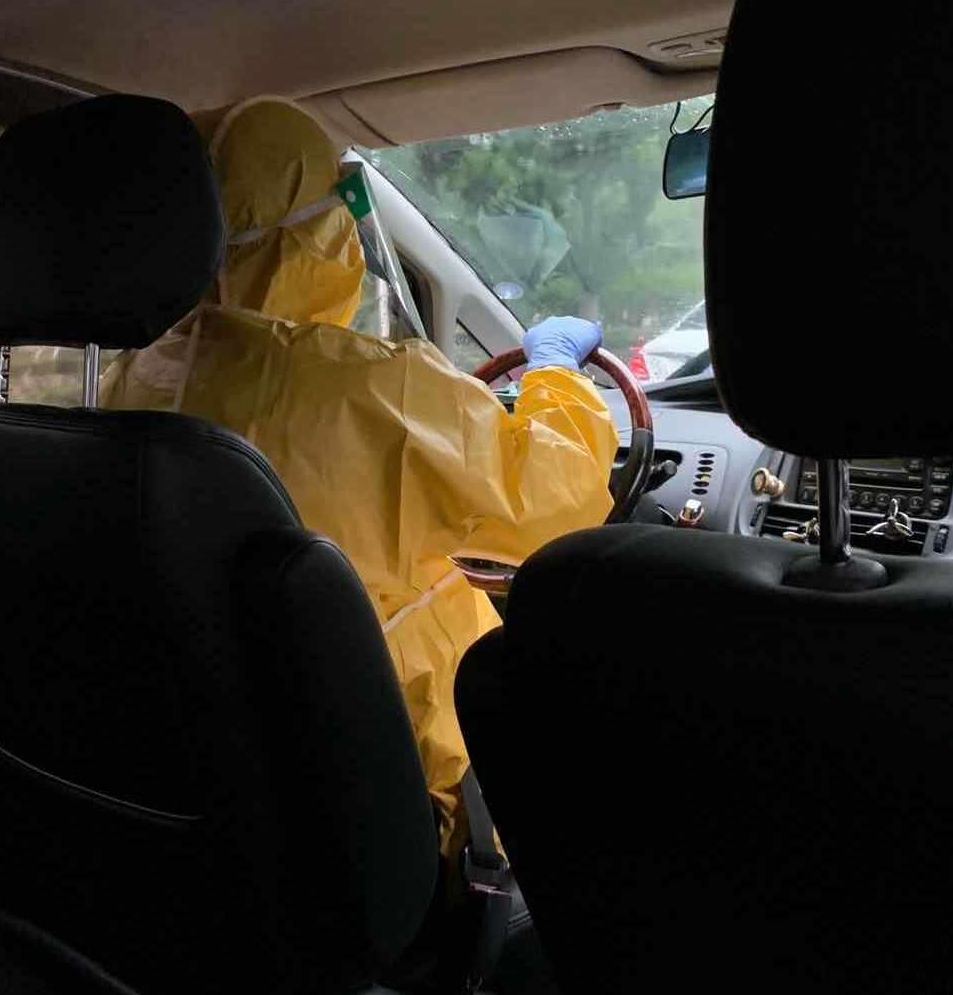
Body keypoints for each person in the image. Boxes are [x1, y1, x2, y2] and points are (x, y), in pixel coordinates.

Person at [101, 97, 619, 863]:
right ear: (311, 233)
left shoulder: (124, 383)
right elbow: (555, 505)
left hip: (204, 785)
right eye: (338, 205)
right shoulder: (369, 388)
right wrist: (556, 376)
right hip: (412, 791)